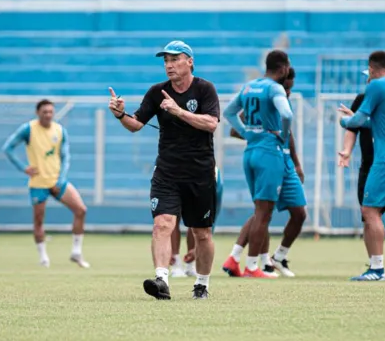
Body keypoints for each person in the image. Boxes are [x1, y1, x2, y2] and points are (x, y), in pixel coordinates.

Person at [109, 40, 220, 300]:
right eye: (165, 61)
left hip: (200, 173)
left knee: (201, 233)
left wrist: (179, 111)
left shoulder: (205, 89)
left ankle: (202, 284)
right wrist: (120, 115)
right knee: (162, 225)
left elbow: (211, 123)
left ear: (190, 61)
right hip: (167, 172)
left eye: (175, 59)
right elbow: (136, 124)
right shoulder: (156, 92)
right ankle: (162, 280)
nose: (169, 65)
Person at [338, 51, 385, 281]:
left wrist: (344, 121)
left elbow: (358, 122)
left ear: (371, 69)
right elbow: (381, 123)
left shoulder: (376, 86)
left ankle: (376, 268)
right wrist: (358, 118)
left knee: (370, 210)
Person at [222, 67, 306, 278]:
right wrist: (259, 137)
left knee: (298, 213)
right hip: (269, 155)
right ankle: (253, 261)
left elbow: (289, 134)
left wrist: (296, 163)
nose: (288, 92)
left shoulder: (279, 97)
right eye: (287, 87)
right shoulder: (269, 96)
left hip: (284, 160)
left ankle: (276, 257)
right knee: (262, 210)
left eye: (291, 89)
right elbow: (235, 127)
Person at [2, 99, 89, 269]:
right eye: (44, 112)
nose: (48, 115)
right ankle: (43, 258)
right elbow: (8, 148)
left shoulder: (60, 130)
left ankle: (76, 252)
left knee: (81, 210)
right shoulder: (28, 129)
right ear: (38, 113)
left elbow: (65, 157)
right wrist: (23, 168)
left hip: (57, 181)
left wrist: (61, 179)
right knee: (39, 221)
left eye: (50, 112)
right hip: (38, 183)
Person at [170, 166, 223, 278]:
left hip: (201, 171)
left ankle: (190, 263)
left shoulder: (214, 177)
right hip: (175, 168)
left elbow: (210, 219)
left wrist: (195, 250)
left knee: (197, 219)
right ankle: (175, 264)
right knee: (172, 217)